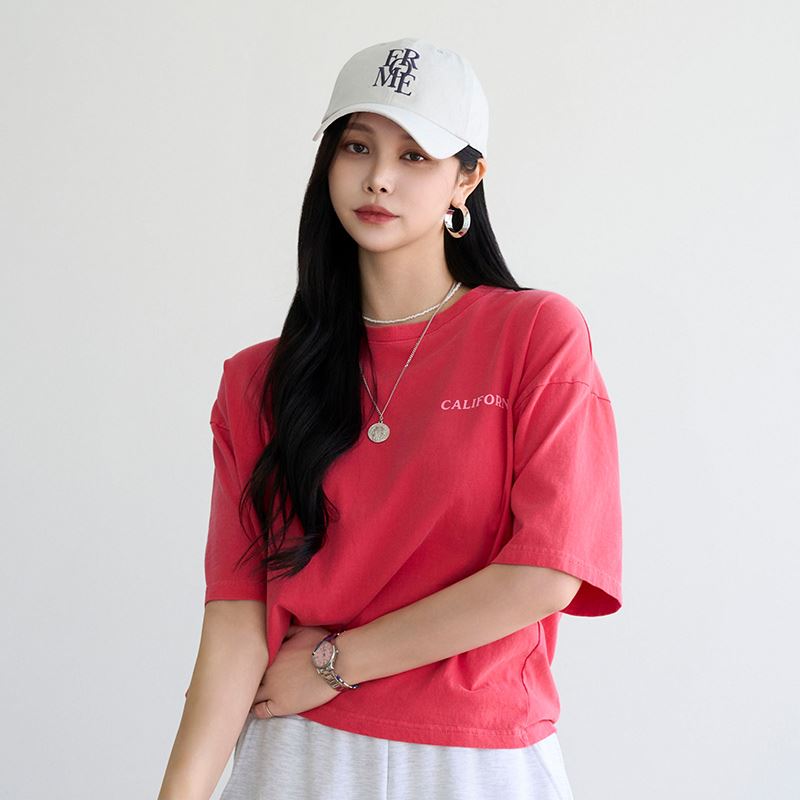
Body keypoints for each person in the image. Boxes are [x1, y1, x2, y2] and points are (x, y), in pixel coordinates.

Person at [158, 36, 623, 800]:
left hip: (477, 758)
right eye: (358, 146)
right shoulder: (259, 383)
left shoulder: (535, 335)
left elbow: (546, 572)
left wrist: (335, 664)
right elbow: (236, 624)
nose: (378, 176)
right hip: (298, 757)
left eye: (414, 155)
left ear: (466, 178)